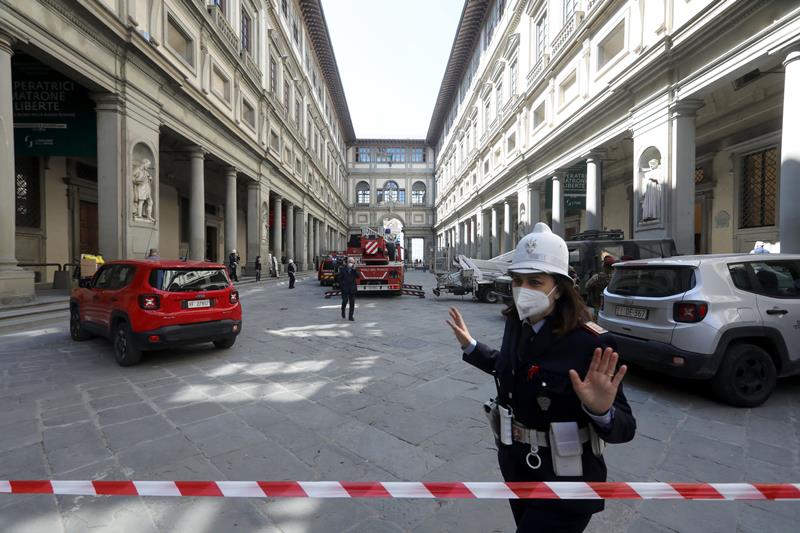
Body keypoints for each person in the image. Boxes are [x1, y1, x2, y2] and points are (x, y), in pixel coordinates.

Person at [446, 222, 636, 533]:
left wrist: (601, 411)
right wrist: (473, 348)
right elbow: (511, 370)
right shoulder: (516, 323)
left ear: (558, 288)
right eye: (518, 280)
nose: (524, 290)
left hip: (566, 482)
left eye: (535, 281)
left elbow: (625, 428)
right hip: (518, 469)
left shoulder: (591, 343)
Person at [585, 256, 616, 320]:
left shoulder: (596, 277)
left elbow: (587, 287)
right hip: (613, 305)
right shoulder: (616, 277)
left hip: (599, 305)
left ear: (603, 265)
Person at [337, 257, 359, 321]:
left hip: (352, 288)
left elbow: (358, 276)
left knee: (352, 303)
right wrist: (342, 286)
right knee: (345, 301)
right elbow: (339, 279)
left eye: (352, 262)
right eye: (350, 262)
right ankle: (343, 310)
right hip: (345, 288)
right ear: (347, 262)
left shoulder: (354, 269)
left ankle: (350, 316)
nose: (351, 263)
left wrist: (354, 269)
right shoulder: (343, 269)